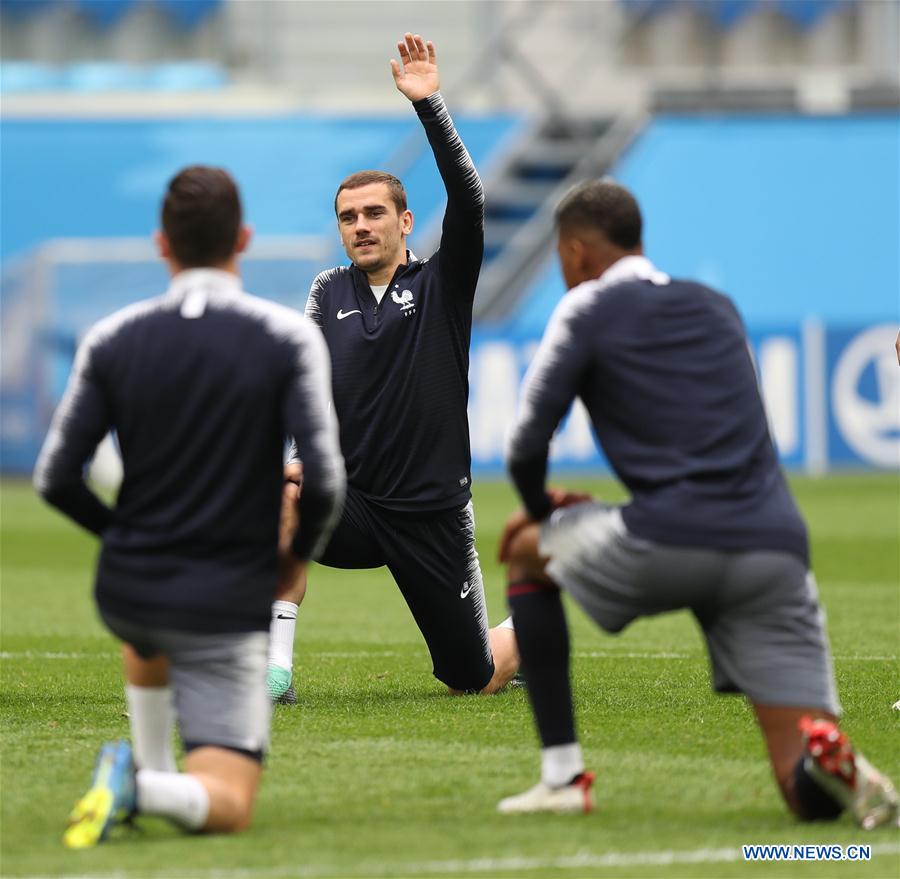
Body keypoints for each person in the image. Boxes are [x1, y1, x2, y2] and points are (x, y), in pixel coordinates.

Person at [494, 178, 898, 828]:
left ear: (574, 251)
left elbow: (524, 445)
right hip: (774, 547)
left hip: (669, 536)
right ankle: (829, 760)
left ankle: (563, 776)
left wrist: (543, 508)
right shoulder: (716, 305)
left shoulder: (585, 307)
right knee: (801, 784)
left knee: (523, 551)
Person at [33, 166, 345, 848]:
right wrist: (290, 558)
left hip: (129, 591)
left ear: (161, 245)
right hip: (227, 594)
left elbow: (54, 477)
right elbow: (325, 483)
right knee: (230, 803)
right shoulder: (287, 337)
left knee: (148, 621)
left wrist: (121, 536)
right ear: (244, 239)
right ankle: (142, 785)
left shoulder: (112, 336)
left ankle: (149, 764)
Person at [266, 33, 518, 701]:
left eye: (374, 213)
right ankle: (274, 669)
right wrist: (297, 459)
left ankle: (534, 618)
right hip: (351, 504)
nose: (361, 225)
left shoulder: (443, 283)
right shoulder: (327, 290)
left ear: (406, 222)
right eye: (348, 217)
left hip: (430, 511)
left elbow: (469, 201)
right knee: (278, 498)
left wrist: (429, 104)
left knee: (472, 678)